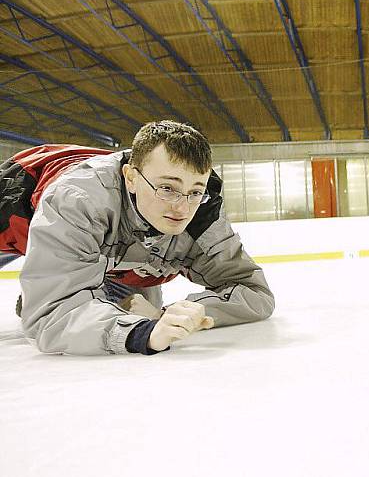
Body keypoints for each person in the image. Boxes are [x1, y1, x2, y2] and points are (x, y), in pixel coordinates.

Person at [0, 120, 274, 355]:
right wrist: (142, 334)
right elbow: (48, 317)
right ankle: (44, 283)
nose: (182, 208)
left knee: (135, 311)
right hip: (14, 213)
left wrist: (176, 314)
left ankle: (63, 284)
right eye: (167, 188)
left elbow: (254, 292)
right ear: (130, 178)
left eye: (194, 191)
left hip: (110, 254)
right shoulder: (80, 200)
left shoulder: (202, 214)